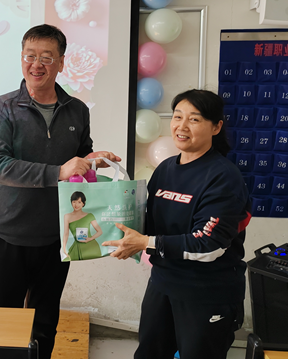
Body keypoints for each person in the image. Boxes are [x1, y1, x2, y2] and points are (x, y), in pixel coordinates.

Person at [0, 24, 120, 359]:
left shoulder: (77, 110)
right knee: (1, 324)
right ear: (21, 58)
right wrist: (58, 172)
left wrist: (92, 160)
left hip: (57, 235)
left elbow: (79, 158)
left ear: (61, 62)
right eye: (30, 56)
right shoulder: (1, 109)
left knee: (45, 322)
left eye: (46, 57)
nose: (36, 64)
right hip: (7, 232)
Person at [103, 89, 252, 359]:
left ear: (216, 127)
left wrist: (144, 242)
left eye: (194, 119)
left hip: (207, 292)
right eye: (177, 116)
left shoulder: (223, 177)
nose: (182, 126)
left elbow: (209, 245)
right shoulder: (166, 169)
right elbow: (150, 224)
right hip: (163, 283)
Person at [61, 191, 103, 261]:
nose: (76, 204)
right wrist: (64, 249)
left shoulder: (89, 215)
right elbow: (66, 234)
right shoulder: (67, 216)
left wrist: (90, 238)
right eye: (74, 202)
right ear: (71, 202)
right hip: (77, 247)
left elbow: (100, 231)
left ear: (83, 203)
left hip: (92, 246)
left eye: (79, 202)